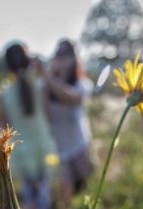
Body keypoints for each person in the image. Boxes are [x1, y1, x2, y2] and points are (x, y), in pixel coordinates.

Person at [0, 42, 57, 209]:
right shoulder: (40, 85)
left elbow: (5, 126)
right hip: (42, 142)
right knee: (43, 182)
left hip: (21, 148)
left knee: (28, 186)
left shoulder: (5, 94)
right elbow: (49, 115)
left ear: (8, 66)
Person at [43, 39, 95, 198]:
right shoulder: (45, 86)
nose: (61, 58)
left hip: (79, 145)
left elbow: (72, 99)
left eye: (66, 54)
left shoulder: (82, 84)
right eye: (58, 54)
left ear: (74, 58)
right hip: (58, 150)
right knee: (67, 194)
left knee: (86, 189)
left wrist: (47, 76)